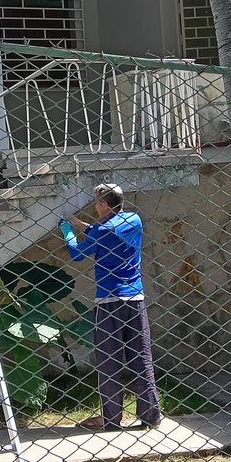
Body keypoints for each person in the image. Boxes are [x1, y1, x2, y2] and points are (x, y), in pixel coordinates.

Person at [59, 183, 163, 431]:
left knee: (109, 361)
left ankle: (110, 419)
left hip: (108, 303)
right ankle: (151, 416)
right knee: (141, 359)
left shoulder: (101, 231)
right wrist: (79, 223)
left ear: (103, 205)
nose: (94, 207)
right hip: (135, 301)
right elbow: (100, 230)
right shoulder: (134, 220)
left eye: (96, 203)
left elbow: (78, 253)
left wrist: (67, 230)